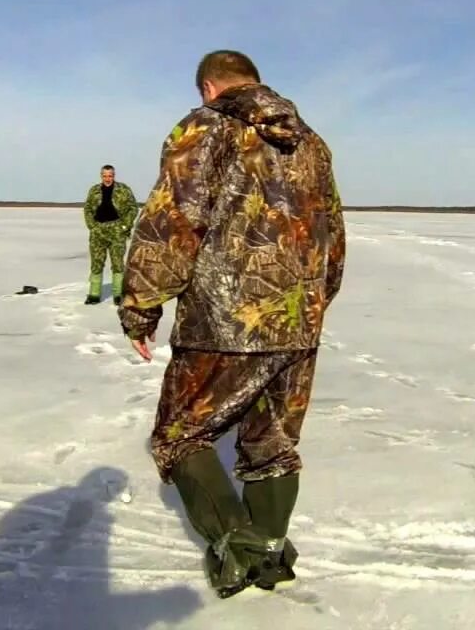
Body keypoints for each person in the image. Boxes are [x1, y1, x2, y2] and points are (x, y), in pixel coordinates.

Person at [117, 50, 346, 598]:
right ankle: (268, 555)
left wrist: (140, 305)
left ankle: (237, 551)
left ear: (208, 89)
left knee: (181, 433)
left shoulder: (207, 126)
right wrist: (315, 301)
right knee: (272, 442)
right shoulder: (311, 142)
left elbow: (173, 218)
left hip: (225, 322)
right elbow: (331, 232)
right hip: (298, 320)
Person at [82, 165, 139, 305]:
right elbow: (88, 208)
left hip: (116, 230)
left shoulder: (123, 189)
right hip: (98, 230)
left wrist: (125, 225)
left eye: (110, 175)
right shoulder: (94, 190)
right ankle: (94, 294)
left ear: (114, 175)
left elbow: (133, 208)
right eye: (105, 176)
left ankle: (118, 295)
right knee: (96, 263)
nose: (108, 178)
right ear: (101, 176)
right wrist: (92, 226)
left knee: (118, 263)